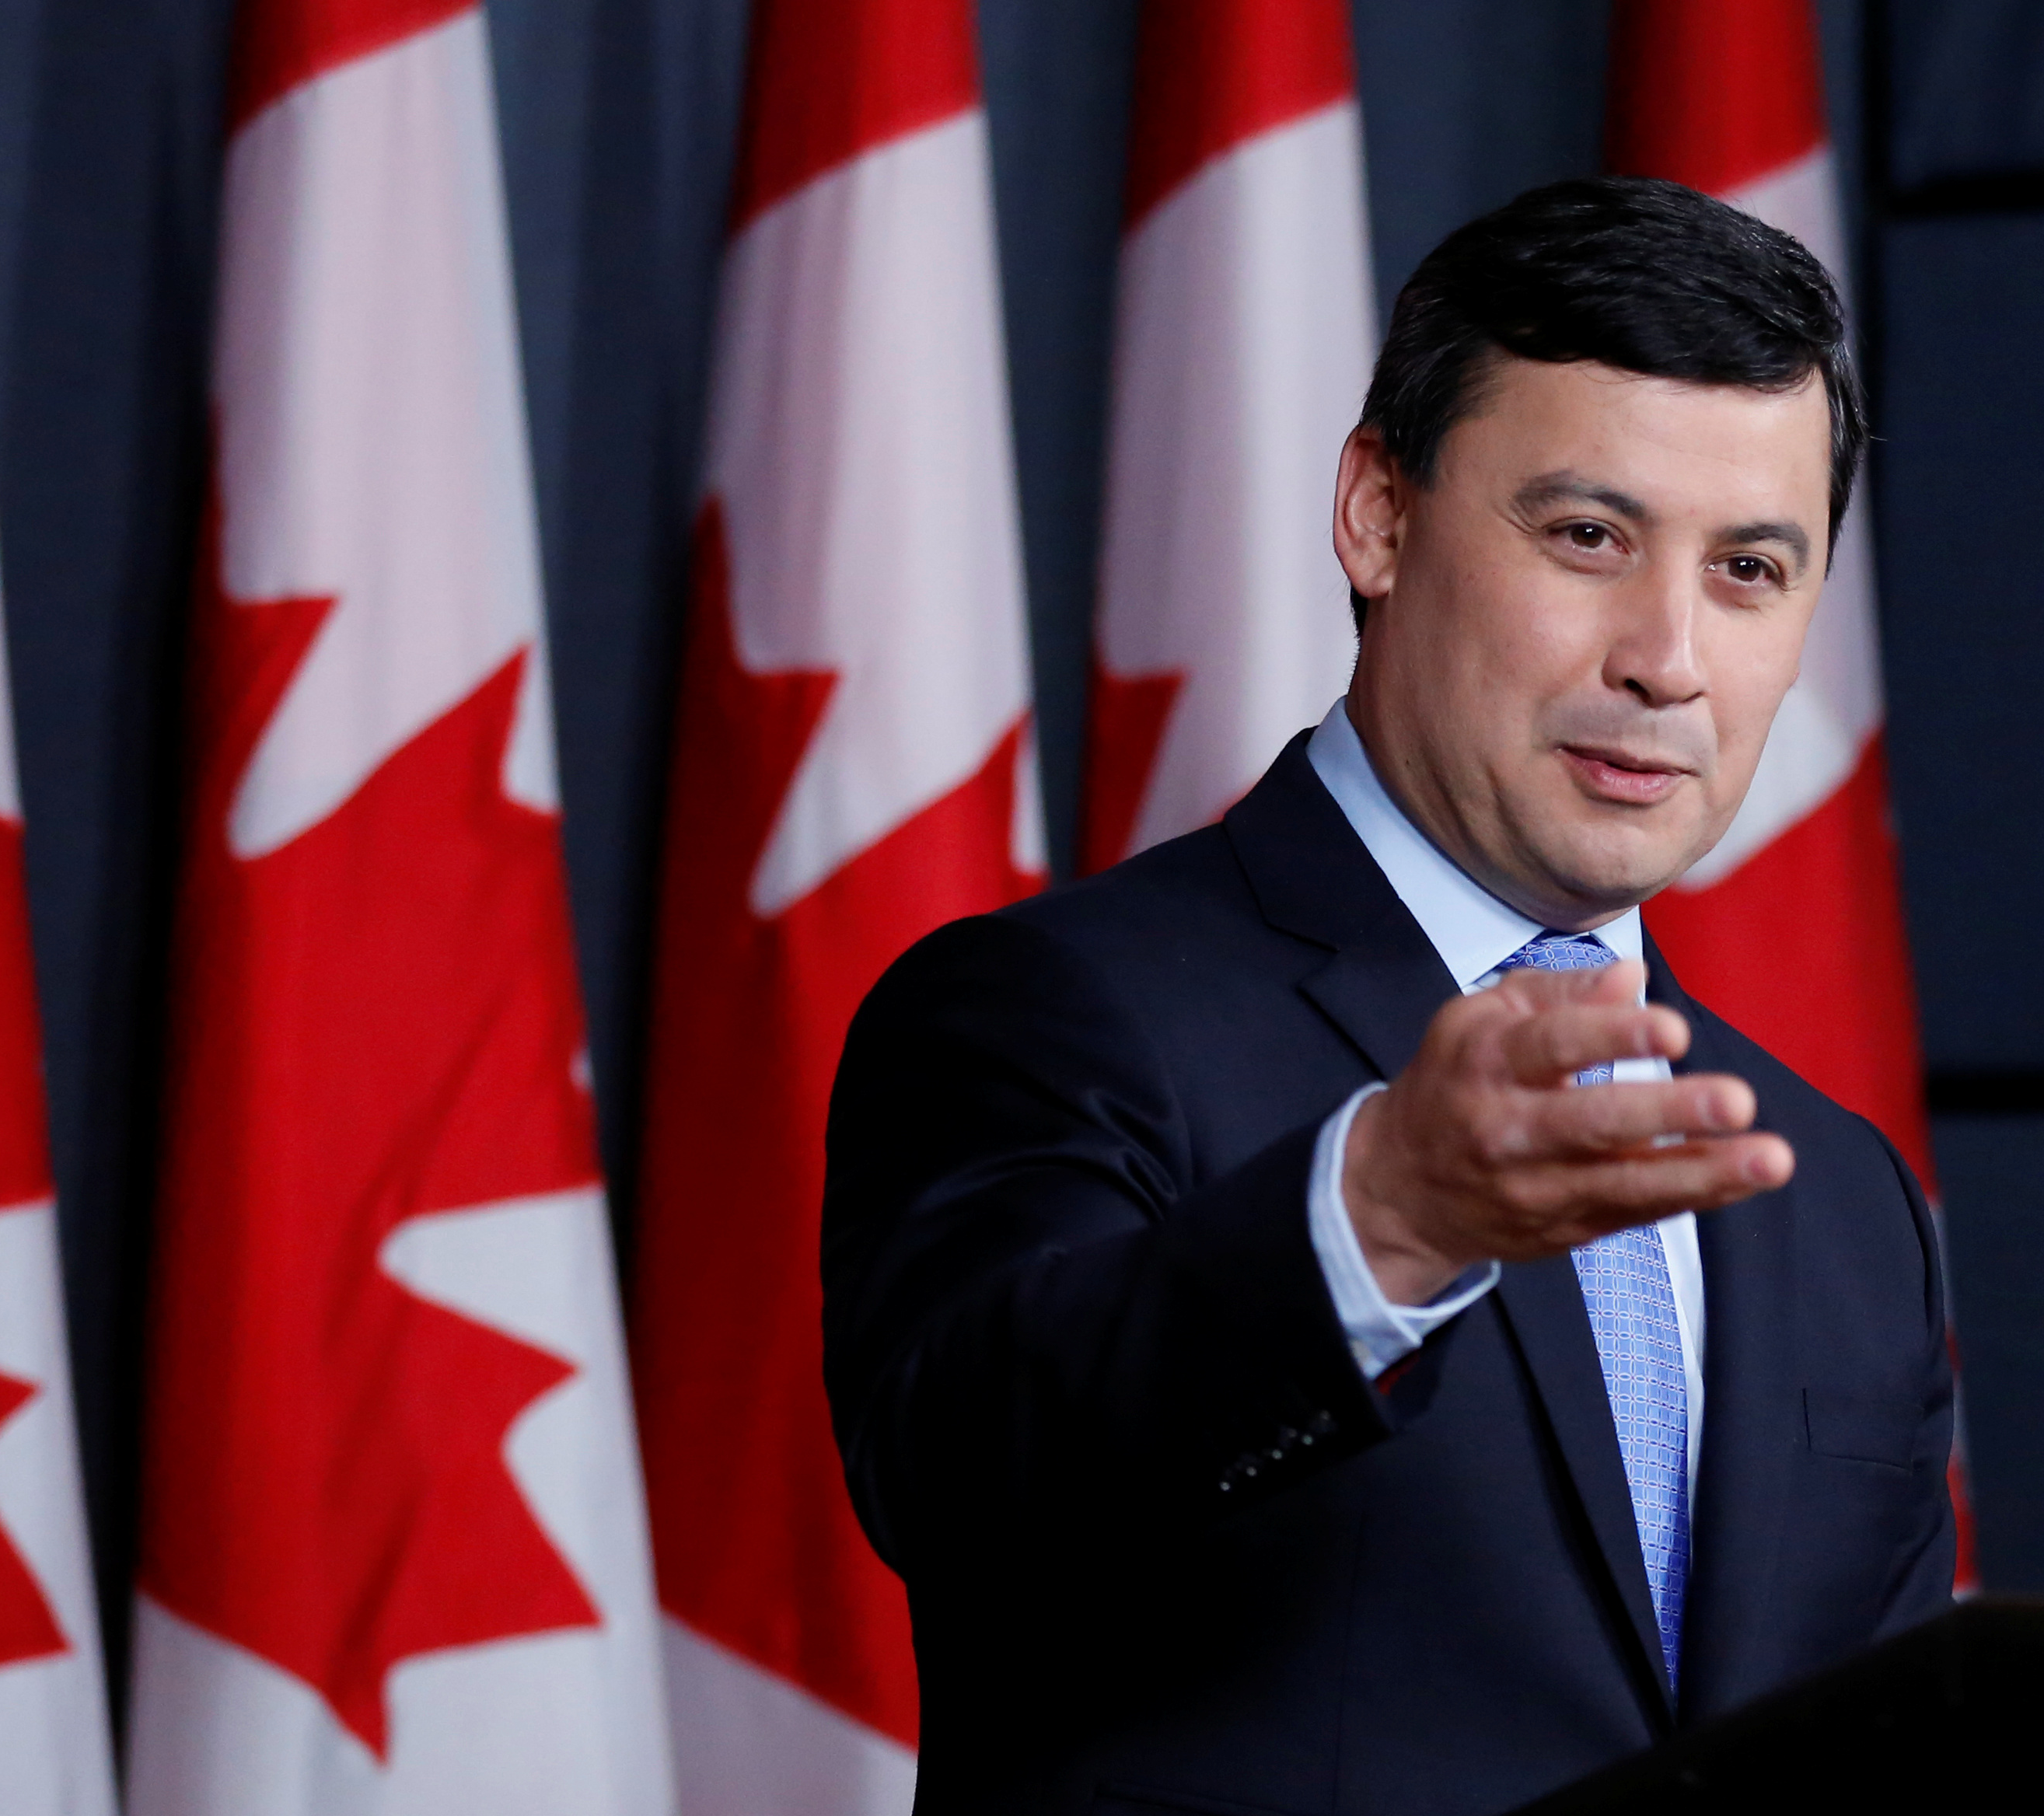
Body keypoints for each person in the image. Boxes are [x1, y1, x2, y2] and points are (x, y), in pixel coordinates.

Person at [821, 176, 1953, 1816]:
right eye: (1588, 537)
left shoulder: (1843, 1198)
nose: (1668, 658)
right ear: (1377, 517)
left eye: (1750, 569)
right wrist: (1378, 1226)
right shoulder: (1050, 1013)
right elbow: (959, 1474)